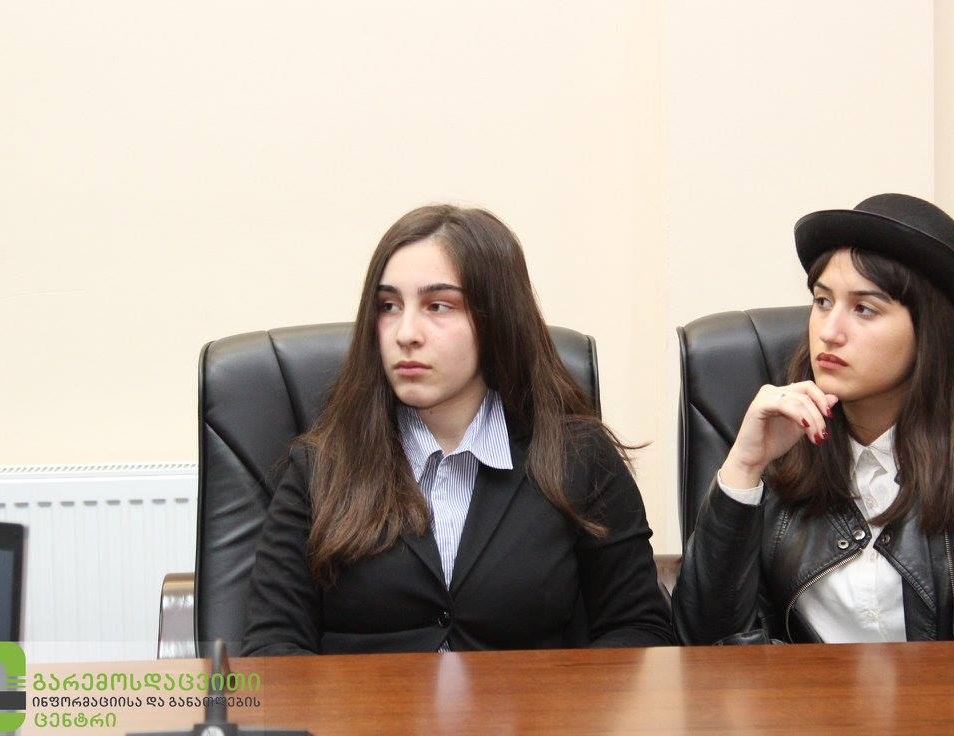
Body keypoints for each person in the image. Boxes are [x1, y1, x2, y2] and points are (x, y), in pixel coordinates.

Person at [243, 204, 672, 654]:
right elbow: (273, 646)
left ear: (496, 319)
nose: (405, 333)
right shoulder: (321, 467)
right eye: (388, 306)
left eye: (438, 306)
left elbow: (638, 629)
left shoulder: (579, 457)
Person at [673, 193, 954, 644]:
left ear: (931, 331)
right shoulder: (786, 439)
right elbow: (702, 646)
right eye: (822, 301)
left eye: (865, 309)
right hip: (799, 694)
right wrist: (744, 467)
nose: (829, 332)